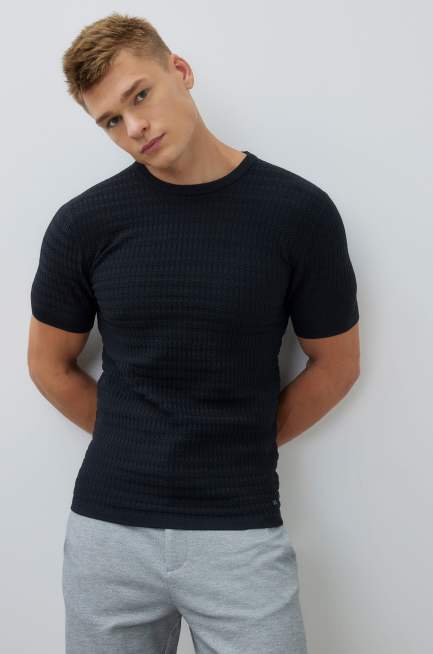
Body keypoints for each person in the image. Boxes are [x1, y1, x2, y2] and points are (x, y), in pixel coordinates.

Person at [28, 12, 360, 654]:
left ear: (179, 71)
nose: (134, 127)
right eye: (111, 121)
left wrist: (237, 442)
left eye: (140, 95)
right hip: (108, 537)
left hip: (240, 532)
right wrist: (139, 437)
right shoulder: (84, 224)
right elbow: (48, 364)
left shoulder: (298, 213)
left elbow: (337, 364)